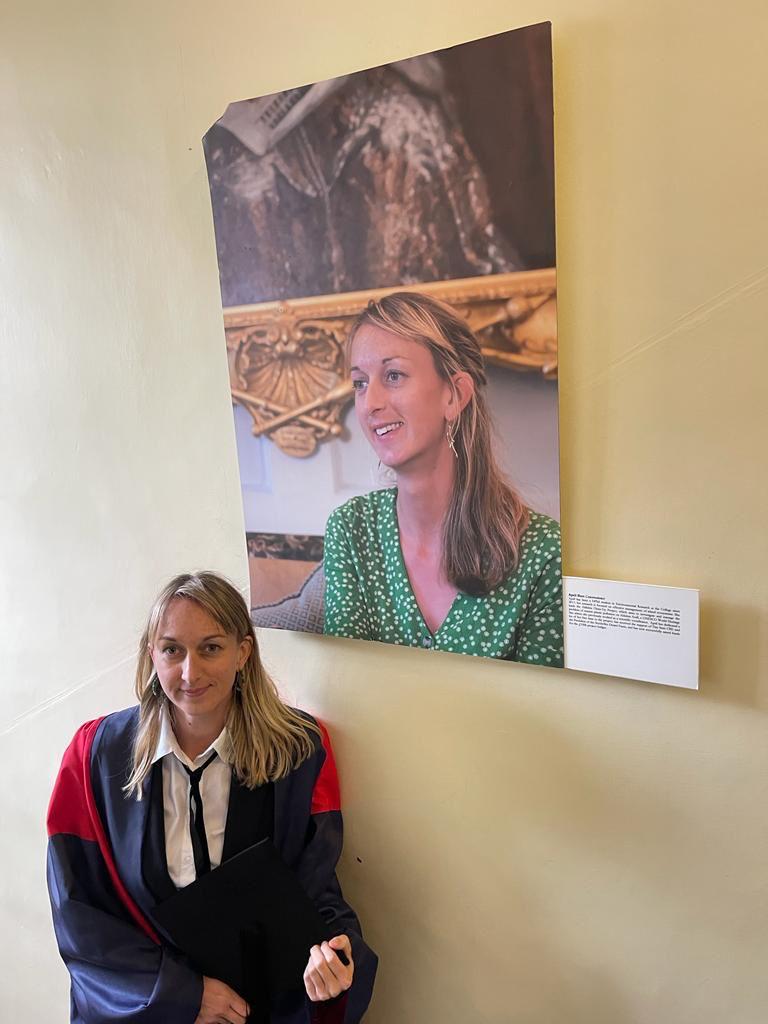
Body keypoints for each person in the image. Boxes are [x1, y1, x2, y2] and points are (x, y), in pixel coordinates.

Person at [46, 571, 377, 1024]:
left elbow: (313, 890)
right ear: (152, 654)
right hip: (149, 1006)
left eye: (211, 648)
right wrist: (183, 996)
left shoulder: (298, 750)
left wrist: (337, 959)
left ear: (243, 652)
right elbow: (79, 915)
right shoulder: (94, 756)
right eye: (172, 649)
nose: (189, 672)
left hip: (256, 1007)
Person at [323, 291, 563, 666]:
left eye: (393, 375)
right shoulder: (351, 531)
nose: (369, 403)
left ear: (454, 395)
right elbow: (347, 693)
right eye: (359, 383)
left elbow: (545, 715)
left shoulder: (543, 554)